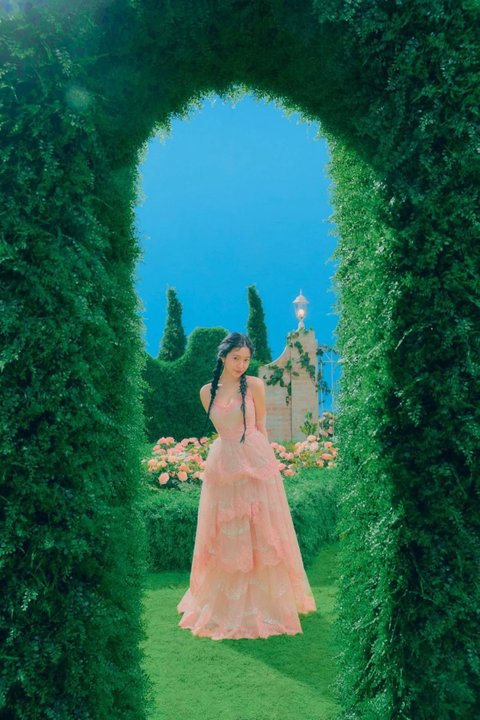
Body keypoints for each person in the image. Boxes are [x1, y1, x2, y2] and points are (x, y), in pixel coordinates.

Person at [176, 331, 316, 640]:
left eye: (246, 359)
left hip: (255, 459)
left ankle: (266, 606)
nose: (241, 364)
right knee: (227, 530)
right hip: (224, 463)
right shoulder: (206, 392)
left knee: (262, 529)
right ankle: (225, 607)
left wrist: (267, 466)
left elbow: (261, 425)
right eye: (236, 358)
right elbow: (221, 429)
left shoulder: (254, 385)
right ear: (223, 357)